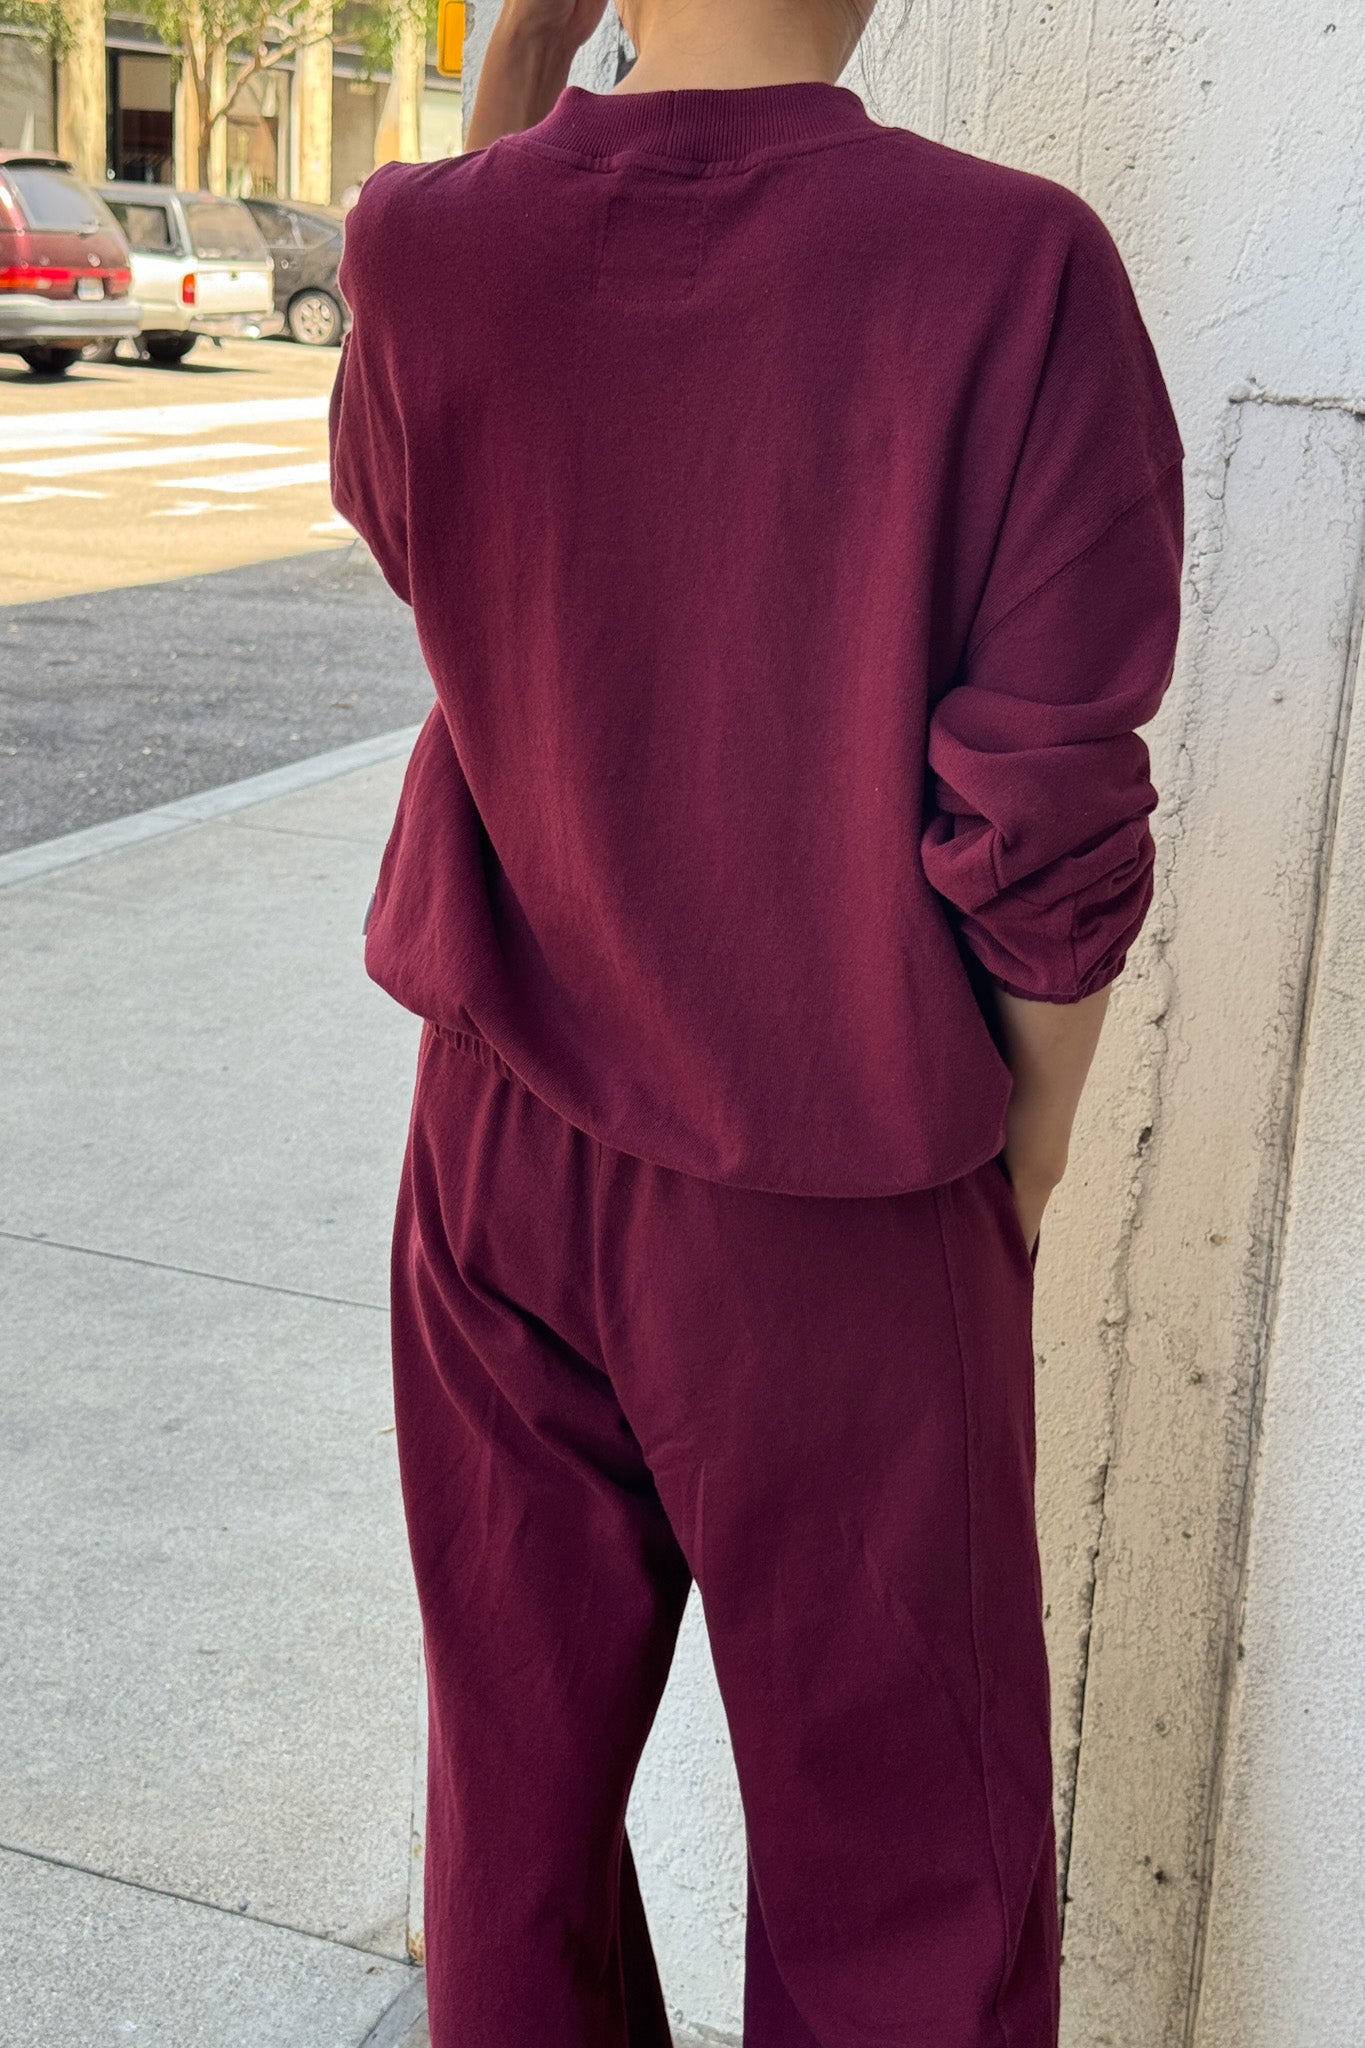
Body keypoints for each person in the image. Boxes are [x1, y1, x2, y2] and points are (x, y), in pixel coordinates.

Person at [328, 0, 1185, 2040]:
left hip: (495, 1143)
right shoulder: (1012, 265)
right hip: (839, 1166)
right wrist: (1022, 1158)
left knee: (511, 1814)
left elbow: (412, 526)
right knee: (904, 1885)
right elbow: (1046, 825)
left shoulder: (426, 243)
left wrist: (525, 70)